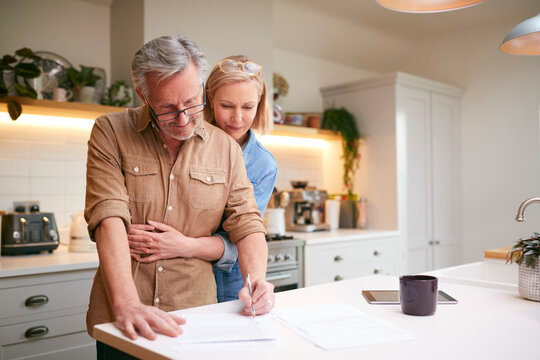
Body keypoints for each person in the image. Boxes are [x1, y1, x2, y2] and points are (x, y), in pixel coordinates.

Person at [84, 35, 275, 357]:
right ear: (143, 94)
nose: (184, 119)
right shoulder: (110, 131)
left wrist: (256, 281)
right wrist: (127, 303)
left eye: (191, 103)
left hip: (195, 314)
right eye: (168, 109)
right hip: (123, 315)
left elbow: (247, 223)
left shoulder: (226, 148)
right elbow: (108, 214)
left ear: (202, 89)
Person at [127, 55, 277, 303]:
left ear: (260, 105)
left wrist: (183, 244)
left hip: (230, 282)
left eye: (248, 107)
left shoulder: (263, 164)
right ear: (207, 98)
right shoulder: (180, 135)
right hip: (173, 279)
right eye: (227, 106)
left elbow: (241, 236)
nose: (237, 118)